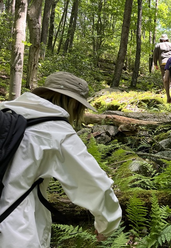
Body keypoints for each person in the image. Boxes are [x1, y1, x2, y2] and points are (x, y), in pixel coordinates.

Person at [0, 72, 122, 247]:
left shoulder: (7, 112)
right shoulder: (57, 132)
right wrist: (107, 225)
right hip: (15, 231)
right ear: (73, 102)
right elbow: (95, 184)